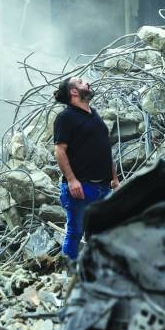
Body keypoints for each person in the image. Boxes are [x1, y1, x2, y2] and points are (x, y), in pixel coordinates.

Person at [53, 76, 119, 261]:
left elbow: (104, 148)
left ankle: (96, 273)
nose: (87, 83)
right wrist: (72, 180)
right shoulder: (66, 117)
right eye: (81, 82)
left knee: (101, 233)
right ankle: (67, 276)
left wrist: (114, 178)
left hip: (104, 187)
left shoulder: (94, 114)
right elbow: (59, 151)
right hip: (81, 188)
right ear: (74, 92)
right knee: (75, 233)